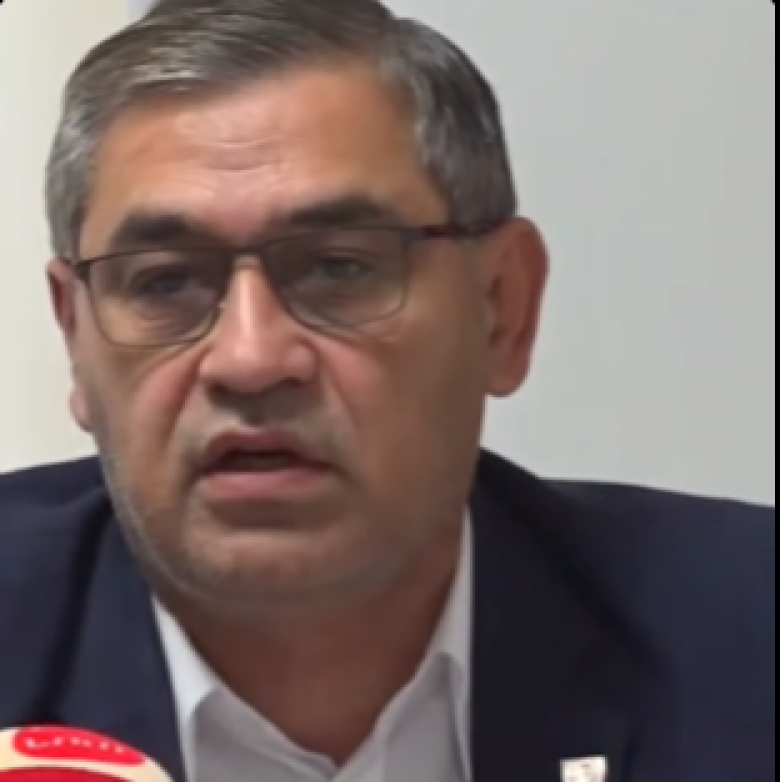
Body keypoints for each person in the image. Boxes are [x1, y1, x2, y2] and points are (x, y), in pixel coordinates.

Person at [0, 1, 773, 781]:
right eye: (165, 282)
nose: (250, 358)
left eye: (339, 268)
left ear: (502, 308)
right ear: (75, 337)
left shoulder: (745, 639)